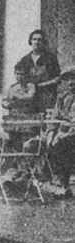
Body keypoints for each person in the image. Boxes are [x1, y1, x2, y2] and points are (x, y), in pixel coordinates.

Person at [44, 67, 75, 197]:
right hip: (62, 133)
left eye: (74, 79)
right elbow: (54, 117)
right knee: (42, 144)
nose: (71, 82)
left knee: (63, 144)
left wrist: (65, 133)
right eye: (68, 79)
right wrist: (51, 134)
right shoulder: (62, 97)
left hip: (71, 133)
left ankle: (63, 183)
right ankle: (50, 181)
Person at [16, 30, 60, 112]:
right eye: (34, 39)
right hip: (29, 96)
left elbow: (57, 78)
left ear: (43, 42)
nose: (37, 42)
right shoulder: (25, 60)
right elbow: (20, 78)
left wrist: (42, 85)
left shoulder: (50, 58)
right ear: (30, 41)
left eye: (40, 40)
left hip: (47, 95)